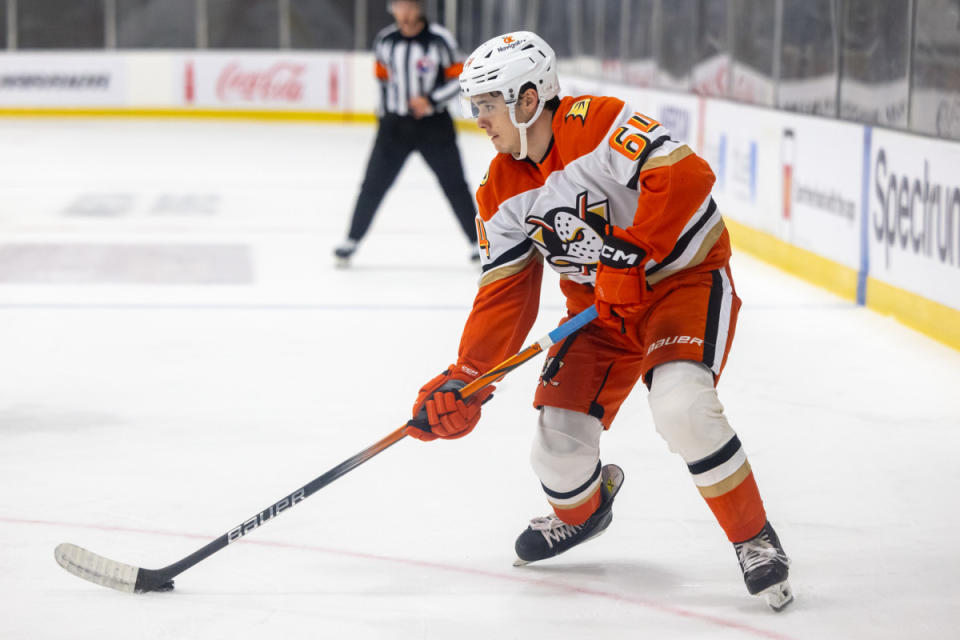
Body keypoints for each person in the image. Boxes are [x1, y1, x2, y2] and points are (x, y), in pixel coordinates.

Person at [404, 31, 793, 611]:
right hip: (600, 312)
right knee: (554, 451)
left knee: (682, 408)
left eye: (487, 103)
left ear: (527, 99)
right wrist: (471, 374)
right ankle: (585, 514)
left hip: (679, 284)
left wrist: (630, 250)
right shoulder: (498, 191)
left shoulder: (595, 123)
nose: (478, 118)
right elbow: (505, 292)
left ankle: (755, 540)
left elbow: (687, 176)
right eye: (475, 104)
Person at [334, 0, 479, 266]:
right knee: (372, 185)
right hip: (394, 127)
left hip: (433, 126)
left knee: (455, 185)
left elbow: (459, 78)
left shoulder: (440, 40)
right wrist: (386, 114)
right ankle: (351, 239)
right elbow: (382, 78)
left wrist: (431, 100)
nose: (403, 12)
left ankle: (477, 242)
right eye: (398, 6)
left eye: (408, 6)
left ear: (419, 8)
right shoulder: (386, 40)